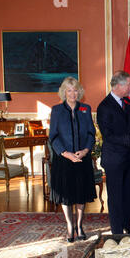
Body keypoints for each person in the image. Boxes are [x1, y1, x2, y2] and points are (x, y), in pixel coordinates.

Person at [97, 71, 130, 235]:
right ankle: (117, 231)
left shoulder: (126, 102)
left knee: (127, 194)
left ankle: (126, 224)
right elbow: (109, 135)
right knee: (115, 197)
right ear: (118, 86)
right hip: (114, 159)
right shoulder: (104, 106)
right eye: (128, 84)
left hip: (129, 158)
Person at [49, 77, 97, 242]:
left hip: (82, 158)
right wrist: (66, 154)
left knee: (81, 194)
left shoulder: (85, 108)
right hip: (63, 160)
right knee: (67, 194)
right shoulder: (56, 110)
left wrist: (84, 151)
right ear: (64, 92)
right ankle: (70, 226)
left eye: (75, 90)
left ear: (79, 92)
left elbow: (91, 133)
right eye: (69, 90)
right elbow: (53, 137)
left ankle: (79, 225)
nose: (73, 93)